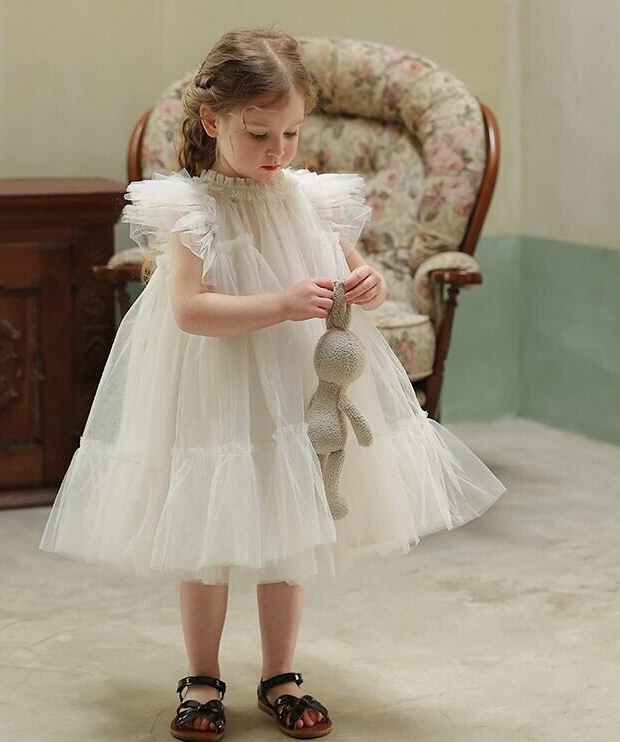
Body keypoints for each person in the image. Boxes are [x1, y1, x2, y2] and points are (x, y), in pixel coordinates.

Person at [39, 26, 506, 741]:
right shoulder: (191, 209)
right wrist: (283, 303)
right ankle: (201, 677)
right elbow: (190, 311)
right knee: (208, 528)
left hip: (293, 382)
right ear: (212, 120)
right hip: (215, 381)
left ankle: (280, 675)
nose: (278, 151)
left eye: (291, 133)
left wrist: (370, 284)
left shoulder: (310, 199)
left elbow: (358, 273)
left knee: (292, 518)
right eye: (259, 134)